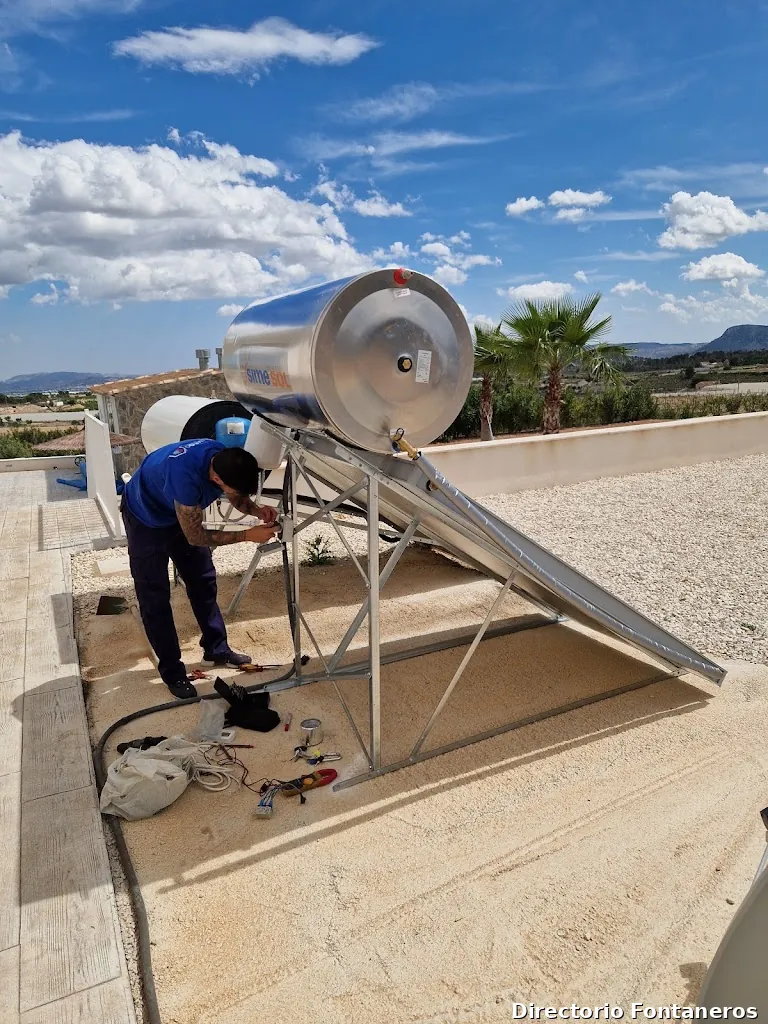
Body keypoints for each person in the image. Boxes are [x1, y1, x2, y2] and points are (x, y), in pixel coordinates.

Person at [121, 439, 278, 699]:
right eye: (230, 488)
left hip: (180, 511)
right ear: (216, 479)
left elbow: (234, 493)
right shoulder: (185, 479)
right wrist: (247, 535)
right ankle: (172, 672)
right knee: (154, 596)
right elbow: (195, 537)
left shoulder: (222, 458)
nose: (234, 494)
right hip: (145, 519)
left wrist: (256, 510)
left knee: (203, 580)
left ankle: (216, 649)